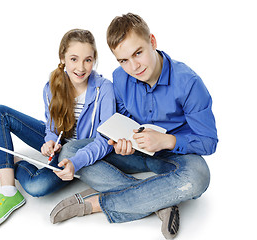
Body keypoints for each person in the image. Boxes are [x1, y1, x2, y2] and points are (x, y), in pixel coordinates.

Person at [50, 13, 218, 239]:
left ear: (153, 42)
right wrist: (123, 142)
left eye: (138, 53)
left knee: (199, 176)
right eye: (123, 60)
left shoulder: (189, 83)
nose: (134, 66)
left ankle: (96, 203)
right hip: (137, 152)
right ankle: (161, 200)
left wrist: (168, 141)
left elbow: (209, 142)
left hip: (175, 156)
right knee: (70, 151)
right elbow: (124, 121)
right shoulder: (120, 78)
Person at [0, 29, 115, 230]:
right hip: (61, 143)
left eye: (88, 60)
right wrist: (50, 141)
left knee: (36, 186)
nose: (81, 67)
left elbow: (105, 140)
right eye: (74, 59)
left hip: (78, 153)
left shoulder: (105, 89)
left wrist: (75, 161)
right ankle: (8, 190)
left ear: (94, 60)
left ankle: (7, 164)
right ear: (62, 58)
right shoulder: (52, 86)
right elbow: (51, 127)